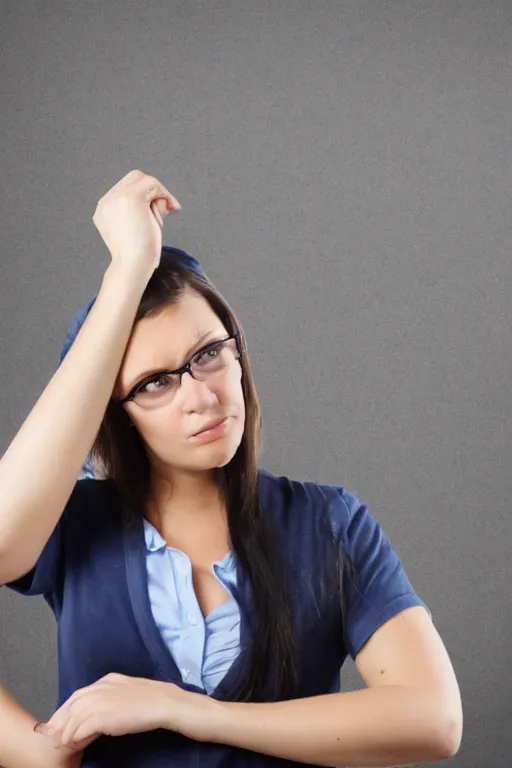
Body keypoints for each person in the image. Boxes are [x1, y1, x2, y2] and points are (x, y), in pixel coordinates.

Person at [0, 170, 463, 768]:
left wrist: (189, 711)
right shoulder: (74, 523)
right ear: (116, 415)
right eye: (155, 383)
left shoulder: (330, 524)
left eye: (209, 354)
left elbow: (433, 720)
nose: (200, 395)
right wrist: (128, 270)